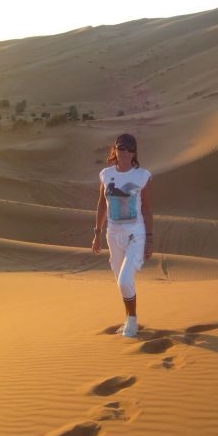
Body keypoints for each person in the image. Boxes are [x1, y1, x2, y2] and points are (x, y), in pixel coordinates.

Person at [92, 133, 153, 337]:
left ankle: (133, 322)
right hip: (113, 235)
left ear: (134, 152)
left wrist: (150, 240)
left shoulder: (142, 176)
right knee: (121, 282)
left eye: (129, 148)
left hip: (135, 234)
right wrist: (97, 233)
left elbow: (147, 208)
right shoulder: (105, 174)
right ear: (114, 150)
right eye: (121, 147)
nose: (124, 152)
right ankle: (128, 319)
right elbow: (102, 203)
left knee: (125, 281)